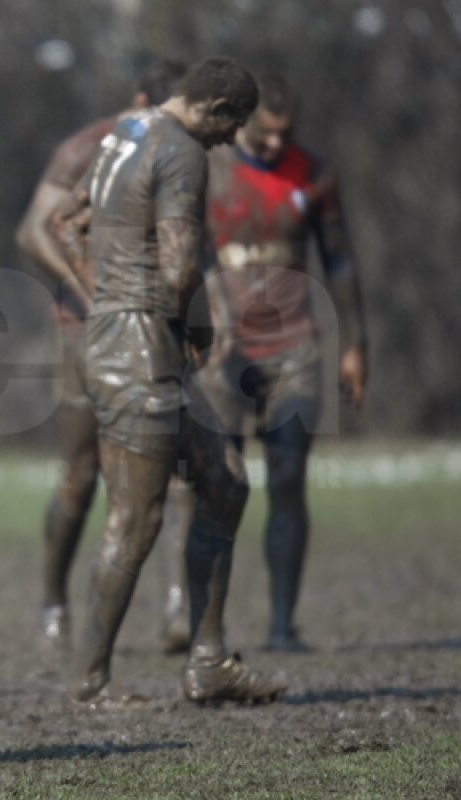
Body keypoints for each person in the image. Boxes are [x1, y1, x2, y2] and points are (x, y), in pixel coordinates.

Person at [63, 56, 286, 706]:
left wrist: (102, 292)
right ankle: (91, 681)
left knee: (225, 481)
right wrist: (201, 325)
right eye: (232, 125)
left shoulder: (124, 132)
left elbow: (67, 223)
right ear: (214, 110)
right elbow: (181, 265)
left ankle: (208, 661)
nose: (232, 140)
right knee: (135, 520)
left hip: (131, 338)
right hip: (138, 349)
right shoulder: (182, 151)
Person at [16, 59, 194, 654]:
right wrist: (92, 294)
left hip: (158, 327)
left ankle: (179, 609)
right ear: (140, 101)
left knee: (179, 469)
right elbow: (33, 231)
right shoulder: (86, 149)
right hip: (83, 329)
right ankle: (52, 602)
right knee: (81, 474)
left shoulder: (186, 153)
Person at [199, 73, 367, 652]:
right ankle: (204, 629)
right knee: (217, 484)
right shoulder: (207, 169)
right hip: (222, 353)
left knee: (289, 475)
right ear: (241, 123)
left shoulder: (314, 174)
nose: (275, 146)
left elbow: (339, 260)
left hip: (294, 347)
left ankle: (281, 626)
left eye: (285, 135)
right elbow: (181, 251)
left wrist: (355, 344)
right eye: (265, 135)